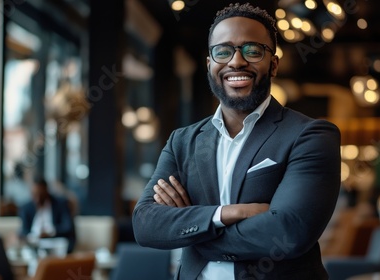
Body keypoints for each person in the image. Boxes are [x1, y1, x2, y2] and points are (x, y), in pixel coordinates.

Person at [132, 3, 341, 279]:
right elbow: (146, 224)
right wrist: (227, 213)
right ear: (210, 65)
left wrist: (194, 230)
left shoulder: (310, 136)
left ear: (274, 64)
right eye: (223, 51)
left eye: (252, 50)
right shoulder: (182, 142)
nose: (236, 61)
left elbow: (288, 232)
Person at [19, 177, 76, 253]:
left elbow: (68, 227)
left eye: (41, 195)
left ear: (46, 191)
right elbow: (23, 231)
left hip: (56, 243)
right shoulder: (26, 208)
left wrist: (50, 232)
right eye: (34, 195)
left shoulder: (61, 204)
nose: (38, 199)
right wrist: (34, 236)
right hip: (34, 245)